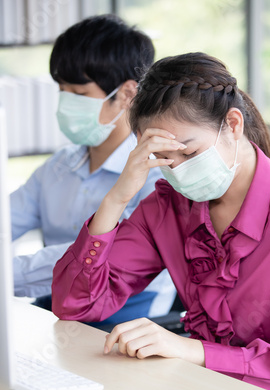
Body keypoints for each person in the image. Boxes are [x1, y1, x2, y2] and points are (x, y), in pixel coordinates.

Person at [52, 52, 270, 390]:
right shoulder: (167, 206)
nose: (179, 171)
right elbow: (74, 305)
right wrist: (116, 199)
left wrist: (191, 350)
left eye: (189, 152)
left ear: (233, 125)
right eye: (165, 159)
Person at [10, 15, 176, 325]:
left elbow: (103, 256)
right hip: (56, 304)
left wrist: (8, 274)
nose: (65, 103)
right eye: (62, 90)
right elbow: (8, 217)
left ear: (127, 93)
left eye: (80, 94)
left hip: (127, 313)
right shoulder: (58, 166)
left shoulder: (156, 174)